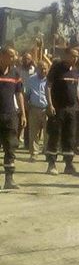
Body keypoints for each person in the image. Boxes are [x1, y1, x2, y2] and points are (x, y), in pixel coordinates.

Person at [45, 47, 79, 176]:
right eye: (73, 55)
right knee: (55, 136)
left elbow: (75, 89)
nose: (75, 58)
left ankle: (68, 164)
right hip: (58, 108)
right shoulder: (56, 68)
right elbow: (48, 86)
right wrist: (50, 104)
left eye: (77, 56)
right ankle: (52, 164)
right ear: (66, 55)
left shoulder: (76, 71)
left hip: (71, 109)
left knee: (70, 136)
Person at [0, 47, 26, 189]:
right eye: (10, 56)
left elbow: (19, 94)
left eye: (14, 56)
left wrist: (22, 113)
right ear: (2, 56)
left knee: (10, 148)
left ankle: (9, 180)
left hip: (10, 115)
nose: (13, 58)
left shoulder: (15, 73)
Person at [25, 61, 49, 162]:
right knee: (33, 132)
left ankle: (47, 152)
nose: (43, 70)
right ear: (37, 69)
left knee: (48, 132)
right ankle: (34, 153)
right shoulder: (31, 79)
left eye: (45, 68)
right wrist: (27, 106)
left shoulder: (50, 80)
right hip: (34, 108)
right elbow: (27, 94)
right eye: (41, 68)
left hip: (47, 109)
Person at [17, 53, 35, 148]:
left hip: (30, 98)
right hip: (19, 96)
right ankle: (15, 141)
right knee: (18, 120)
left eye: (28, 59)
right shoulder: (18, 70)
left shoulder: (33, 70)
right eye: (25, 59)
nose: (26, 60)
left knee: (29, 121)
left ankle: (27, 143)